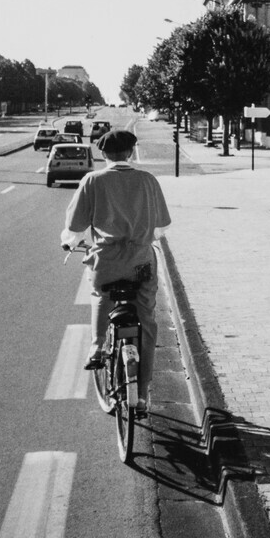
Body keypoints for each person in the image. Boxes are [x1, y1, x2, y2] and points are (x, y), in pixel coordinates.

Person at [60, 128, 171, 416]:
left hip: (107, 261)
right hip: (141, 263)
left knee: (100, 292)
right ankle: (143, 394)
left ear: (103, 154)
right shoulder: (148, 180)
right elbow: (161, 228)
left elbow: (74, 229)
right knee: (147, 320)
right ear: (131, 152)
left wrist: (69, 243)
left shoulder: (93, 180)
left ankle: (97, 346)